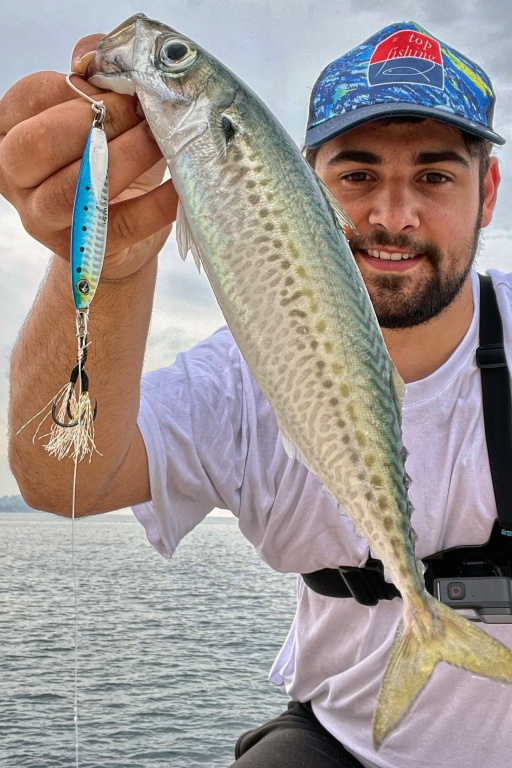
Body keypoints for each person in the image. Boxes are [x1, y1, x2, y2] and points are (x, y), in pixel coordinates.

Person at [2, 18, 511, 768]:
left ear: (487, 191)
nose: (392, 216)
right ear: (301, 184)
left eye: (434, 176)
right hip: (333, 743)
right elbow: (59, 478)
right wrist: (116, 269)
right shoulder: (242, 375)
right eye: (358, 175)